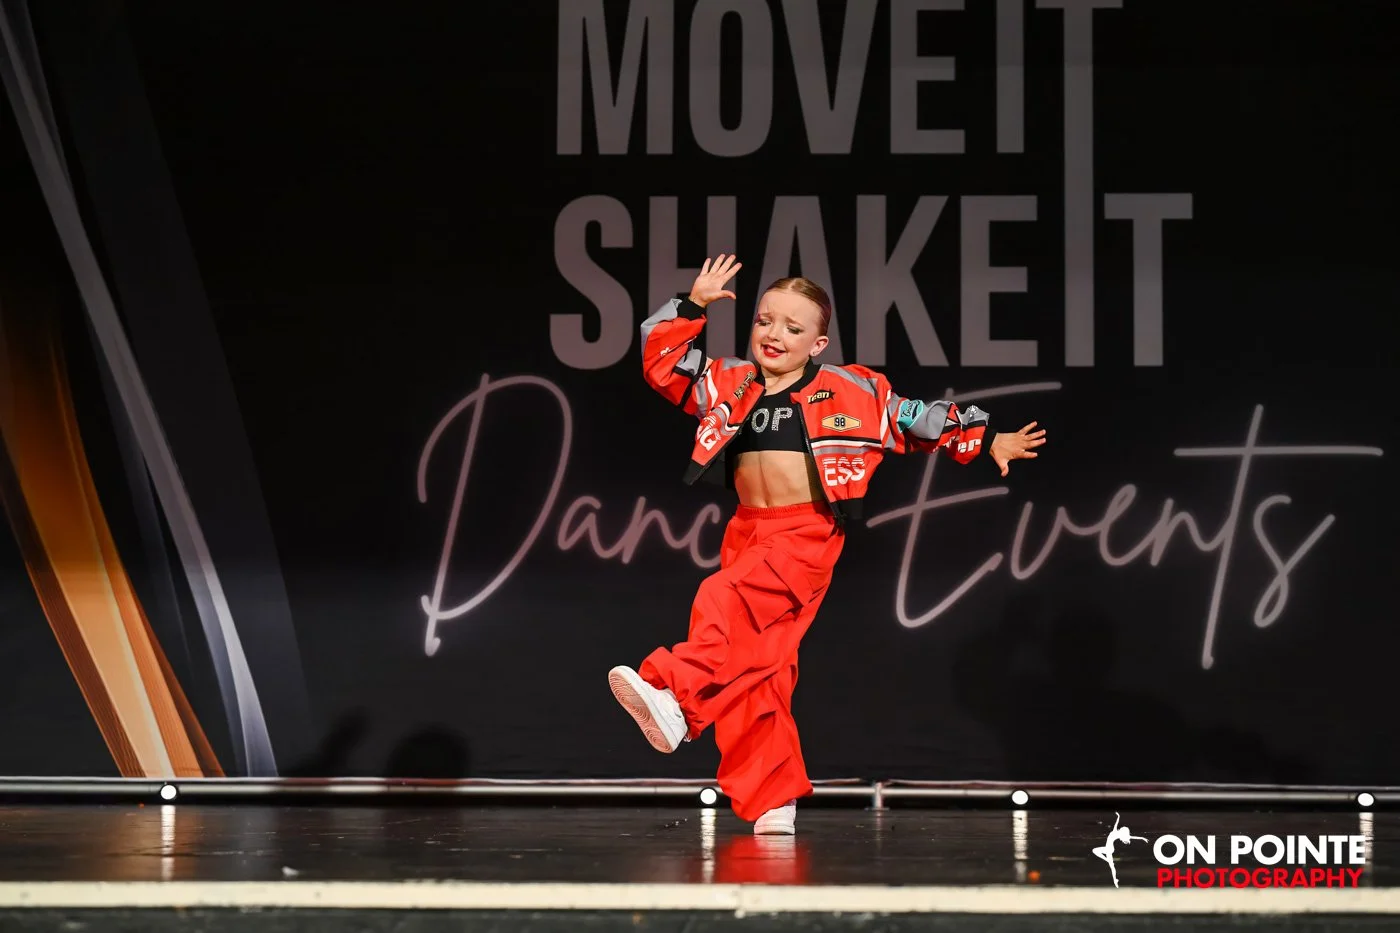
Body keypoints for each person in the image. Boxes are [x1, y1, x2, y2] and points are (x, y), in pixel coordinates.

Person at [608, 255, 1046, 834]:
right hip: (747, 531)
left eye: (793, 328)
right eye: (766, 321)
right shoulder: (728, 382)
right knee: (762, 671)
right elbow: (661, 363)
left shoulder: (851, 390)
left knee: (722, 601)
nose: (775, 335)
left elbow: (915, 418)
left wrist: (984, 437)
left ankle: (677, 697)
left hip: (806, 533)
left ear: (817, 344)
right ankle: (772, 799)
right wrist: (693, 305)